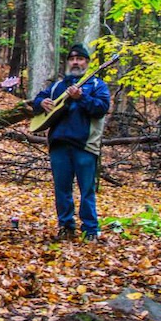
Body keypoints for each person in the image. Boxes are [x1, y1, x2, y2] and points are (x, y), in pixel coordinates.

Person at [33, 43, 111, 242]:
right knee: (62, 189)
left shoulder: (96, 85)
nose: (76, 62)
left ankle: (90, 230)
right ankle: (66, 226)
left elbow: (101, 108)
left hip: (85, 145)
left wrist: (82, 97)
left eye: (80, 59)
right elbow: (38, 99)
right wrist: (41, 102)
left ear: (87, 62)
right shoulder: (59, 86)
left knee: (87, 190)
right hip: (59, 144)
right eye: (72, 59)